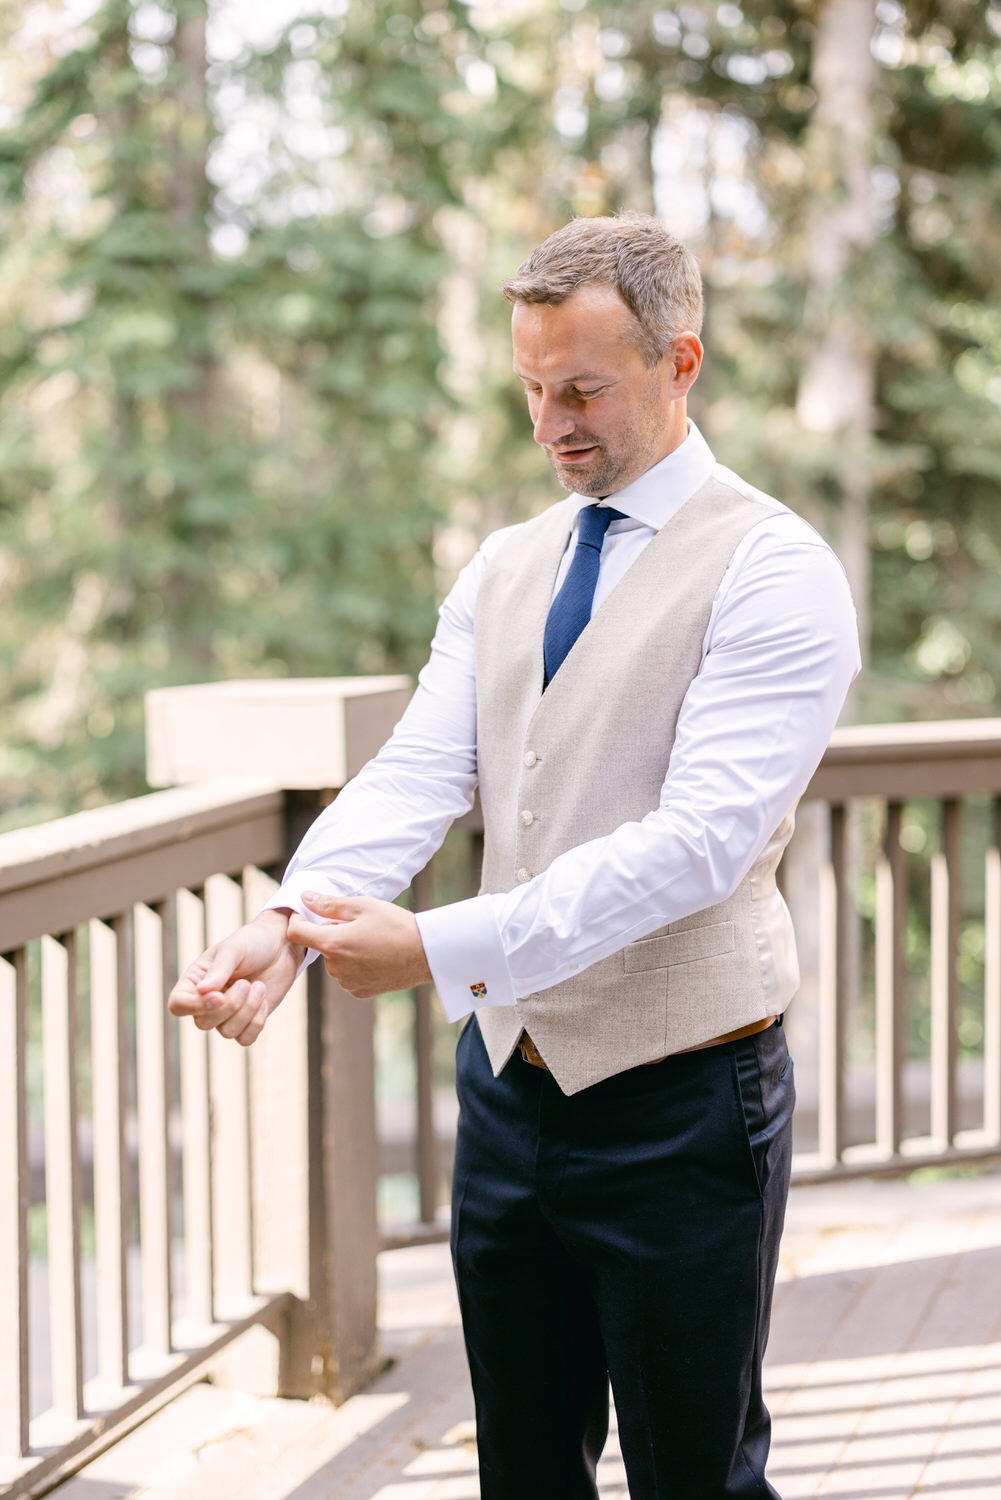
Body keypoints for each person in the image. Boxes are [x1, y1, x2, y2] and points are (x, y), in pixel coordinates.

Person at [169, 214, 860, 1499]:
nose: (552, 423)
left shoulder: (773, 570)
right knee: (524, 1473)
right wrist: (291, 920)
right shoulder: (503, 567)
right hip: (505, 1098)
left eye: (584, 387)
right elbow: (425, 770)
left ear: (680, 361)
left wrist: (436, 947)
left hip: (683, 1101)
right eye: (532, 389)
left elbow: (699, 845)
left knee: (692, 1479)